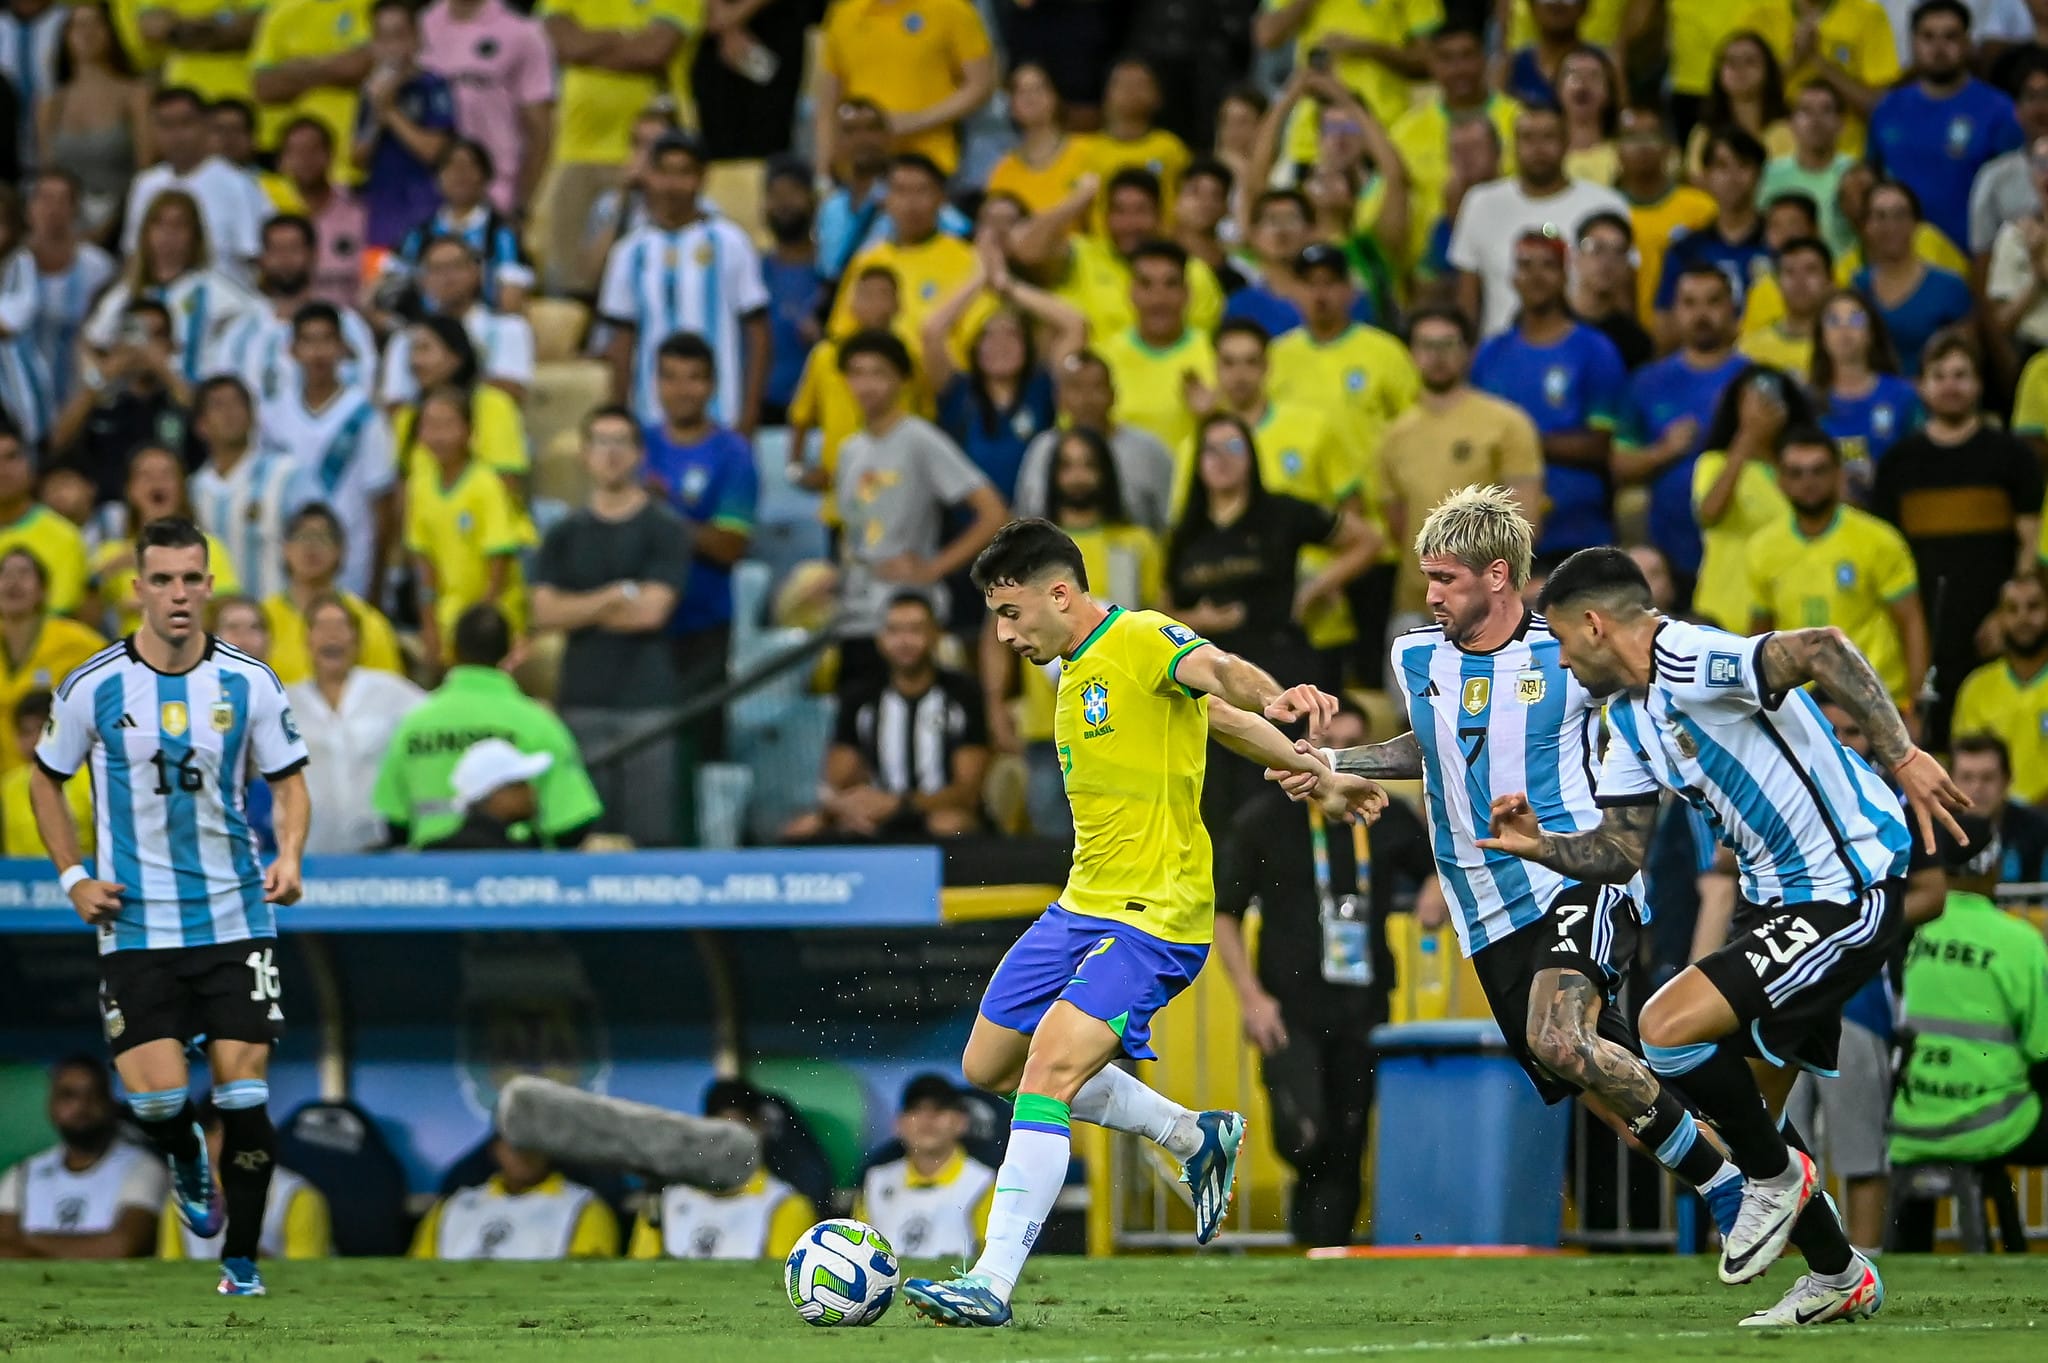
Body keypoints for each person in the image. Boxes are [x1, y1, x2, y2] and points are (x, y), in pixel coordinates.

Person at [899, 517, 1373, 1326]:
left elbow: (1218, 673)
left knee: (1048, 1070)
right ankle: (1194, 1137)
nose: (1004, 633)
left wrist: (1282, 699)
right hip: (1081, 906)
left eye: (1011, 612)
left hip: (1157, 915)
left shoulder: (1144, 635)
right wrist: (1308, 768)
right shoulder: (1075, 670)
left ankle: (991, 1279)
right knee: (990, 1065)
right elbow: (1212, 719)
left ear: (1060, 593)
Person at [1479, 545, 1967, 1325]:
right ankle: (1839, 1272)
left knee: (1663, 1028)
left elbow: (1825, 648)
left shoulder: (1690, 655)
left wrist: (1901, 753)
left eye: (1565, 643)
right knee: (1751, 1120)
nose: (1562, 662)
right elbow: (1621, 850)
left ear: (1597, 625)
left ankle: (1778, 1180)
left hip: (1847, 886)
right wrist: (1539, 844)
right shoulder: (1628, 722)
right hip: (1775, 902)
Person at [1295, 486, 1748, 1249]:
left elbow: (1652, 716)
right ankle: (1762, 1158)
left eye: (1447, 580)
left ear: (1498, 575)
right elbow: (1428, 745)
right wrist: (1340, 761)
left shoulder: (1565, 651)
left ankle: (1732, 1185)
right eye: (1428, 578)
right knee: (1602, 1075)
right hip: (1487, 908)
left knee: (1559, 1037)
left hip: (1575, 876)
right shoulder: (1415, 655)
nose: (1429, 594)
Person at [30, 515, 310, 1297]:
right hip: (137, 921)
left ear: (210, 585)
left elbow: (289, 780)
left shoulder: (250, 680)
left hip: (235, 915)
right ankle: (184, 1149)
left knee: (244, 1093)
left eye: (192, 578)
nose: (179, 594)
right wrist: (73, 877)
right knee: (154, 1098)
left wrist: (288, 855)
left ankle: (242, 1262)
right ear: (139, 588)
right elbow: (43, 778)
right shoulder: (92, 685)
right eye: (163, 579)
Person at [1213, 696, 1437, 1248]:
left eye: (1356, 753)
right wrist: (1250, 998)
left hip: (1364, 1001)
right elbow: (1224, 914)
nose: (1342, 764)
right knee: (1303, 1132)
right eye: (1331, 752)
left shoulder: (1382, 814)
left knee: (1348, 1134)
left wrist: (1435, 893)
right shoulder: (1263, 820)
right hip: (1289, 1004)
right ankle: (1309, 1234)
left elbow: (1440, 864)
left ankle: (1323, 1253)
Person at [982, 427, 1165, 836]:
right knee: (1054, 853)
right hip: (1048, 728)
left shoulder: (1136, 544)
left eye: (1088, 465)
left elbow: (1160, 625)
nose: (1078, 475)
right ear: (1052, 475)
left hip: (1125, 725)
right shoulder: (1024, 552)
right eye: (1067, 466)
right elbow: (996, 631)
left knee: (1124, 846)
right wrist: (996, 704)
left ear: (1106, 473)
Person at [532, 407, 692, 849]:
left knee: (651, 838)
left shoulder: (665, 528)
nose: (611, 453)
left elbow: (651, 613)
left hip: (647, 704)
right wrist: (615, 595)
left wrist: (578, 607)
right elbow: (544, 614)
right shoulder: (564, 533)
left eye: (621, 442)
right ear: (584, 455)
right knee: (588, 839)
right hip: (581, 698)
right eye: (601, 442)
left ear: (639, 453)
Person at [1871, 333, 2042, 746]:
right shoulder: (1898, 464)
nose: (1951, 385)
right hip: (1923, 633)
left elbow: (2030, 547)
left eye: (1961, 375)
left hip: (1993, 633)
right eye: (1940, 375)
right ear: (1923, 386)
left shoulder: (2013, 456)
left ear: (1979, 384)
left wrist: (2007, 616)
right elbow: (1887, 558)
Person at [1888, 832, 2048, 1250]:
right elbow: (2042, 1049)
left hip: (1910, 1123)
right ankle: (2015, 1244)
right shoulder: (2020, 940)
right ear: (1993, 867)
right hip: (1993, 1124)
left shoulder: (1911, 927)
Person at [829, 329, 1006, 691]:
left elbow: (993, 511)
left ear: (901, 380)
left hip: (907, 613)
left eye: (878, 373)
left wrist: (933, 568)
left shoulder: (919, 439)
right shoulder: (849, 450)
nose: (866, 385)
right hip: (855, 614)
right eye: (857, 373)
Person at [371, 604, 603, 849]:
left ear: (453, 650)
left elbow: (394, 822)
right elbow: (571, 825)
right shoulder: (538, 724)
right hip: (515, 870)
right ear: (513, 650)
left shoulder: (413, 724)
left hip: (432, 874)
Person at [1747, 427, 1930, 720]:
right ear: (1780, 481)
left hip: (1876, 703)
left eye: (1818, 471)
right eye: (1796, 473)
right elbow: (1760, 635)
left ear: (1838, 474)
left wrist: (1916, 704)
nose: (1808, 482)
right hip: (1799, 708)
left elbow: (1911, 623)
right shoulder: (1762, 547)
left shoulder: (1879, 539)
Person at [1472, 228, 1629, 564]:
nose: (1535, 276)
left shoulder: (1595, 349)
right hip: (1500, 536)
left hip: (1579, 532)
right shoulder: (1490, 353)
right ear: (1513, 277)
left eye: (1547, 266)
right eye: (1525, 265)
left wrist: (1523, 442)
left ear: (1563, 274)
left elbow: (1601, 444)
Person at [1379, 307, 1543, 626]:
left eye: (1448, 345)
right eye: (1426, 346)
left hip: (1488, 608)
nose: (1437, 356)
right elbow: (1398, 525)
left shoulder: (1507, 424)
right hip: (1415, 605)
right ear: (1411, 353)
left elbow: (1525, 520)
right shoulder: (1393, 436)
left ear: (1468, 351)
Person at [598, 132, 769, 435]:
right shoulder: (629, 252)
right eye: (664, 172)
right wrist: (622, 414)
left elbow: (757, 333)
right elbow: (622, 339)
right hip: (650, 418)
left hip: (723, 415)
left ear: (702, 178)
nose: (672, 185)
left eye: (684, 173)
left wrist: (750, 414)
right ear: (649, 176)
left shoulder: (731, 242)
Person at [785, 593, 991, 843]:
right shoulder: (859, 698)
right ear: (880, 639)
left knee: (950, 824)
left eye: (915, 630)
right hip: (878, 817)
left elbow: (967, 792)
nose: (904, 642)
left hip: (931, 814)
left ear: (936, 635)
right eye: (894, 631)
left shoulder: (963, 695)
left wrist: (899, 805)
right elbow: (835, 782)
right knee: (803, 829)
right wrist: (846, 808)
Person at [533, 0, 690, 296]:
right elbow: (562, 45)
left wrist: (589, 43)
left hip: (661, 149)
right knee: (573, 282)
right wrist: (626, 37)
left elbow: (654, 50)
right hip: (577, 151)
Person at [640, 333, 756, 726]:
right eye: (669, 377)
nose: (681, 390)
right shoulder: (638, 444)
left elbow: (730, 546)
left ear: (712, 386)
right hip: (639, 625)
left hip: (703, 625)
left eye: (693, 378)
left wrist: (659, 514)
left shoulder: (733, 453)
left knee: (700, 744)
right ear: (655, 384)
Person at [1616, 265, 1746, 603]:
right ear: (1674, 312)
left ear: (1731, 308)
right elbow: (1619, 465)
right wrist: (1664, 451)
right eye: (1689, 303)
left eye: (1713, 302)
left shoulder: (1754, 378)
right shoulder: (1647, 382)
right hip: (1668, 551)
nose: (1702, 314)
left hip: (1740, 547)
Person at [259, 302, 398, 602]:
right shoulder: (273, 415)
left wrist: (377, 583)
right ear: (292, 350)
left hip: (352, 565)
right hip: (290, 563)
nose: (318, 352)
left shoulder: (366, 418)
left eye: (326, 340)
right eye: (308, 341)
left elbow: (383, 506)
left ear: (342, 348)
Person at [1449, 105, 1627, 338]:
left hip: (1583, 350)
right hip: (1500, 352)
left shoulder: (1606, 204)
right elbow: (1468, 299)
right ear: (1513, 146)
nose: (1538, 148)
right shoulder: (1481, 202)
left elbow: (1622, 296)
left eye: (1548, 137)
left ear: (1566, 142)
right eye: (1527, 138)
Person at [923, 243, 1079, 505]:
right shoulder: (958, 391)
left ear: (1027, 348)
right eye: (989, 337)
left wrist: (1007, 285)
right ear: (975, 349)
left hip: (1031, 529)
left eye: (1012, 336)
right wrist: (979, 280)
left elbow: (1074, 324)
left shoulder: (1041, 388)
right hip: (968, 532)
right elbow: (931, 332)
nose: (1000, 345)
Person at [1867, 0, 2024, 256]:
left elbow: (2012, 188)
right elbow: (1874, 178)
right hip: (1902, 257)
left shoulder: (1999, 109)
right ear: (1912, 43)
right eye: (1928, 37)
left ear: (1968, 43)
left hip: (1975, 257)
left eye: (1950, 37)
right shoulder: (1888, 109)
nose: (1939, 48)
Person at [286, 594, 424, 854]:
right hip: (308, 851)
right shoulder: (284, 703)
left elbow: (433, 723)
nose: (332, 635)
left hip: (378, 849)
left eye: (341, 627)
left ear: (357, 639)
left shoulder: (393, 692)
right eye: (322, 627)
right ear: (308, 639)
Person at [83, 190, 260, 390]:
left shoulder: (212, 290)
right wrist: (99, 377)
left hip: (190, 401)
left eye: (178, 226)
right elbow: (90, 342)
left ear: (195, 235)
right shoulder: (126, 293)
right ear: (146, 233)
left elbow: (252, 318)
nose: (168, 235)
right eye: (159, 225)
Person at [403, 384, 531, 663]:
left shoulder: (486, 485)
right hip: (450, 614)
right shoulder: (420, 487)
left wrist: (482, 624)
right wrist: (429, 627)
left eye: (447, 425)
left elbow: (499, 560)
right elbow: (425, 564)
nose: (438, 436)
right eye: (429, 426)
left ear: (469, 430)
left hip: (494, 613)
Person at [627, 1081, 816, 1260]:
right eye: (720, 1133)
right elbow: (638, 1278)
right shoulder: (663, 1201)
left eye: (740, 1131)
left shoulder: (785, 1205)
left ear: (761, 1130)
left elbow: (782, 1286)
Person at [0, 1056, 164, 1259]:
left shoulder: (143, 1167)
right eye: (68, 1095)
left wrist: (26, 1240)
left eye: (93, 1095)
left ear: (110, 1102)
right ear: (51, 1104)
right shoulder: (24, 1173)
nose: (82, 1105)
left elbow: (122, 1247)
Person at [812, 0, 994, 180]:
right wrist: (822, 174)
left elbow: (981, 85)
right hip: (859, 167)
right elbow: (827, 105)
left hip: (929, 162)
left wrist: (915, 120)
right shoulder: (844, 14)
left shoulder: (952, 9)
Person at [211, 214, 380, 404]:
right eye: (276, 250)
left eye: (294, 248)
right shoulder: (240, 332)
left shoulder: (348, 325)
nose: (285, 259)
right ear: (263, 259)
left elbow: (363, 389)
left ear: (313, 255)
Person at [87, 446, 245, 639]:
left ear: (181, 487)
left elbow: (227, 612)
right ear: (130, 490)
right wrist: (101, 575)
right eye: (145, 475)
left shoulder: (209, 547)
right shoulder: (111, 553)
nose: (157, 481)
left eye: (167, 474)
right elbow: (85, 624)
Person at [1687, 366, 1800, 633]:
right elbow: (1710, 514)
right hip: (1724, 610)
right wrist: (1747, 440)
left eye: (1771, 398)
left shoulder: (1799, 468)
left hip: (1785, 610)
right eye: (1754, 399)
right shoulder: (1713, 464)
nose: (1763, 407)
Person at [1010, 352, 1175, 534]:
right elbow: (1024, 518)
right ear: (1060, 399)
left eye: (1096, 387)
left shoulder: (1148, 450)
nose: (1086, 399)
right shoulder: (1042, 449)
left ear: (1113, 395)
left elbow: (1168, 524)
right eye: (1076, 388)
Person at [417, 0, 555, 217]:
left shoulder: (522, 33)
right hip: (423, 193)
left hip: (496, 192)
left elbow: (540, 132)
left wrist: (523, 205)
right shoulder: (419, 26)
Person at [190, 376, 316, 606]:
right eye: (218, 405)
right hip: (218, 628)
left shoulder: (285, 474)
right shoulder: (193, 490)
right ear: (201, 425)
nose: (230, 413)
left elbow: (315, 541)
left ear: (253, 416)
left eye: (237, 404)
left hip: (279, 622)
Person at [0, 170, 115, 419]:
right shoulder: (10, 263)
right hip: (17, 388)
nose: (53, 209)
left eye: (62, 200)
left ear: (75, 209)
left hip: (76, 386)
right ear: (29, 208)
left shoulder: (97, 266)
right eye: (45, 199)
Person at [158, 1099, 331, 1261]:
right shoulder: (181, 1198)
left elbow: (307, 1279)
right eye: (215, 1131)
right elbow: (170, 1271)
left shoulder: (296, 1197)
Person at [378, 236, 535, 406]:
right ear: (423, 280)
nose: (447, 277)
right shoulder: (405, 338)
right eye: (436, 269)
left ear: (476, 272)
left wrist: (452, 376)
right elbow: (394, 403)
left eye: (456, 266)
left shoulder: (508, 328)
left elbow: (513, 393)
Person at [120, 85, 259, 277]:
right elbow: (133, 255)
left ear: (206, 125)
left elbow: (254, 257)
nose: (176, 135)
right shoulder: (145, 184)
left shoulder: (238, 184)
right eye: (166, 125)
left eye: (185, 123)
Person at [853, 1075, 995, 1261]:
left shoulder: (983, 1183)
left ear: (961, 1122)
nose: (927, 1119)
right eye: (916, 1110)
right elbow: (856, 1252)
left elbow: (995, 1258)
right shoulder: (875, 1180)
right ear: (898, 1124)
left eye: (939, 1109)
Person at [349, 0, 455, 250]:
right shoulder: (370, 91)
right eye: (383, 37)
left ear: (417, 39)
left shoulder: (433, 86)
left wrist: (390, 112)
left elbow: (434, 151)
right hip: (383, 215)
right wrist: (377, 111)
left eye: (399, 35)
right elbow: (358, 157)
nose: (392, 47)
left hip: (426, 210)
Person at [261, 502, 404, 686]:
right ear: (285, 549)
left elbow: (387, 692)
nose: (311, 546)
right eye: (302, 536)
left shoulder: (367, 622)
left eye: (323, 537)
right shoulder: (261, 620)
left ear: (341, 550)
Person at [38, 3, 147, 242]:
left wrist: (108, 229)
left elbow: (145, 171)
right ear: (65, 36)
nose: (86, 33)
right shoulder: (50, 106)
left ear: (111, 32)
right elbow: (49, 176)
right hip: (67, 230)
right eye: (77, 26)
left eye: (95, 24)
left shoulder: (135, 95)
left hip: (124, 225)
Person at [409, 1135, 617, 1259]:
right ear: (494, 1148)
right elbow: (415, 1278)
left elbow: (587, 1288)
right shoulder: (452, 1207)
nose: (522, 1153)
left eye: (531, 1142)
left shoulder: (583, 1208)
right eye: (512, 1143)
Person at [1095, 241, 1216, 454]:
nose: (1159, 299)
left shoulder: (1218, 355)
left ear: (1187, 293)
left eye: (1170, 284)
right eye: (1146, 284)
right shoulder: (1102, 359)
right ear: (1131, 293)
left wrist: (1212, 416)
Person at [1655, 128, 1771, 345]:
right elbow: (1664, 327)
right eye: (1722, 166)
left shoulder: (1779, 246)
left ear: (1759, 174)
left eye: (1743, 165)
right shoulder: (1685, 249)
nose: (1733, 177)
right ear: (1706, 176)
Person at [1849, 182, 1975, 377]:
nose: (1890, 226)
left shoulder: (1949, 287)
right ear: (1866, 226)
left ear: (1916, 223)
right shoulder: (1857, 288)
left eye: (1900, 215)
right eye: (1880, 216)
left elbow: (1967, 362)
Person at [0, 545, 104, 775]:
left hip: (60, 778)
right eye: (4, 574)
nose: (13, 582)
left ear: (43, 590)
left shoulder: (76, 642)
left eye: (24, 573)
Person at [1811, 289, 1918, 504]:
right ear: (1821, 337)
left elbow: (1922, 459)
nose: (1844, 328)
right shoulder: (1807, 401)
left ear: (1871, 333)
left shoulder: (1903, 395)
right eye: (1833, 321)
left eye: (1856, 319)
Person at [249, 0, 376, 178]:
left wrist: (296, 68)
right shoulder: (280, 10)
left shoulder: (367, 5)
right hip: (302, 165)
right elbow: (263, 87)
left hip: (360, 158)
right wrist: (334, 66)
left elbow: (358, 67)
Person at [1953, 571, 2048, 804]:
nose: (2023, 618)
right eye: (2012, 609)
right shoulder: (1977, 687)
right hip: (1992, 822)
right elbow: (1965, 767)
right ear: (1999, 618)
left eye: (2034, 607)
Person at [267, 117, 370, 311]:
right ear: (281, 161)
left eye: (314, 150)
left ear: (331, 154)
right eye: (296, 152)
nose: (306, 159)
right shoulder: (269, 207)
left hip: (352, 318)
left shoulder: (359, 206)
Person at [1760, 82, 1858, 258]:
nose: (1816, 120)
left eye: (1826, 110)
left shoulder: (1857, 174)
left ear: (1842, 123)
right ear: (1790, 123)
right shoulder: (1769, 175)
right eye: (1806, 111)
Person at [985, 64, 1095, 217]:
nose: (1031, 97)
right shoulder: (1003, 170)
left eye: (1039, 89)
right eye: (1021, 91)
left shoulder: (1088, 151)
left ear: (1055, 96)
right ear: (1011, 105)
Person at [0, 423, 87, 616]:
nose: (3, 470)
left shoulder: (64, 537)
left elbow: (56, 615)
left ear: (30, 466)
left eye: (11, 457)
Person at [1967, 54, 2048, 261]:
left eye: (2047, 96)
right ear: (2017, 111)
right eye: (2031, 97)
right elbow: (1982, 258)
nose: (2041, 108)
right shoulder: (1994, 176)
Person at [0, 689, 92, 856]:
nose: (34, 740)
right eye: (26, 732)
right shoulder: (7, 787)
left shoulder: (90, 780)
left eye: (42, 729)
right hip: (18, 880)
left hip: (82, 877)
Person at [1948, 731, 2048, 881]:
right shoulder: (1932, 831)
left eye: (1987, 778)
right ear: (1949, 783)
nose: (1977, 788)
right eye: (1967, 778)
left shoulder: (2040, 828)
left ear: (2007, 780)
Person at [426, 737, 556, 850]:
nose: (531, 791)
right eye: (520, 784)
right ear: (497, 794)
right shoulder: (512, 857)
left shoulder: (429, 854)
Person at [1739, 236, 1832, 376]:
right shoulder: (1749, 351)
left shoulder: (1840, 348)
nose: (1799, 281)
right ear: (1777, 283)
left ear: (1830, 281)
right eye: (1789, 272)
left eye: (1811, 270)